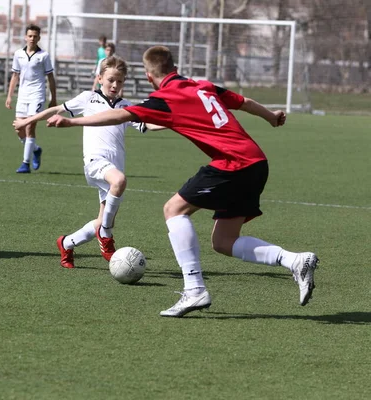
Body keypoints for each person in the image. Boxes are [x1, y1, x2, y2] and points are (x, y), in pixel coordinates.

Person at [46, 46, 319, 317]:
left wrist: (73, 123)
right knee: (223, 241)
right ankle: (295, 260)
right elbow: (244, 102)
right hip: (257, 162)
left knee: (173, 210)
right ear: (173, 66)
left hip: (232, 163)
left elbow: (122, 114)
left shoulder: (165, 97)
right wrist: (271, 116)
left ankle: (194, 290)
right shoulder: (202, 85)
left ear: (148, 74)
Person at [14, 55, 162, 268]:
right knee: (119, 182)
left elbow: (148, 125)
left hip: (113, 166)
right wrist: (27, 120)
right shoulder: (88, 98)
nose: (115, 84)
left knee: (101, 219)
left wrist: (177, 124)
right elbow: (56, 110)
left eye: (119, 81)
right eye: (111, 79)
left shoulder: (126, 106)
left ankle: (66, 243)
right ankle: (106, 236)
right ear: (100, 78)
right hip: (95, 163)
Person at [6, 24, 57, 173]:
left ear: (39, 38)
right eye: (30, 36)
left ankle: (25, 163)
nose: (32, 39)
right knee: (19, 128)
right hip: (23, 95)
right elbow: (15, 76)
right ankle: (35, 149)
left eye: (35, 36)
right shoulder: (18, 54)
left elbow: (50, 77)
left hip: (37, 94)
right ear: (25, 37)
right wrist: (9, 96)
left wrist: (53, 98)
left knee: (29, 126)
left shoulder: (44, 56)